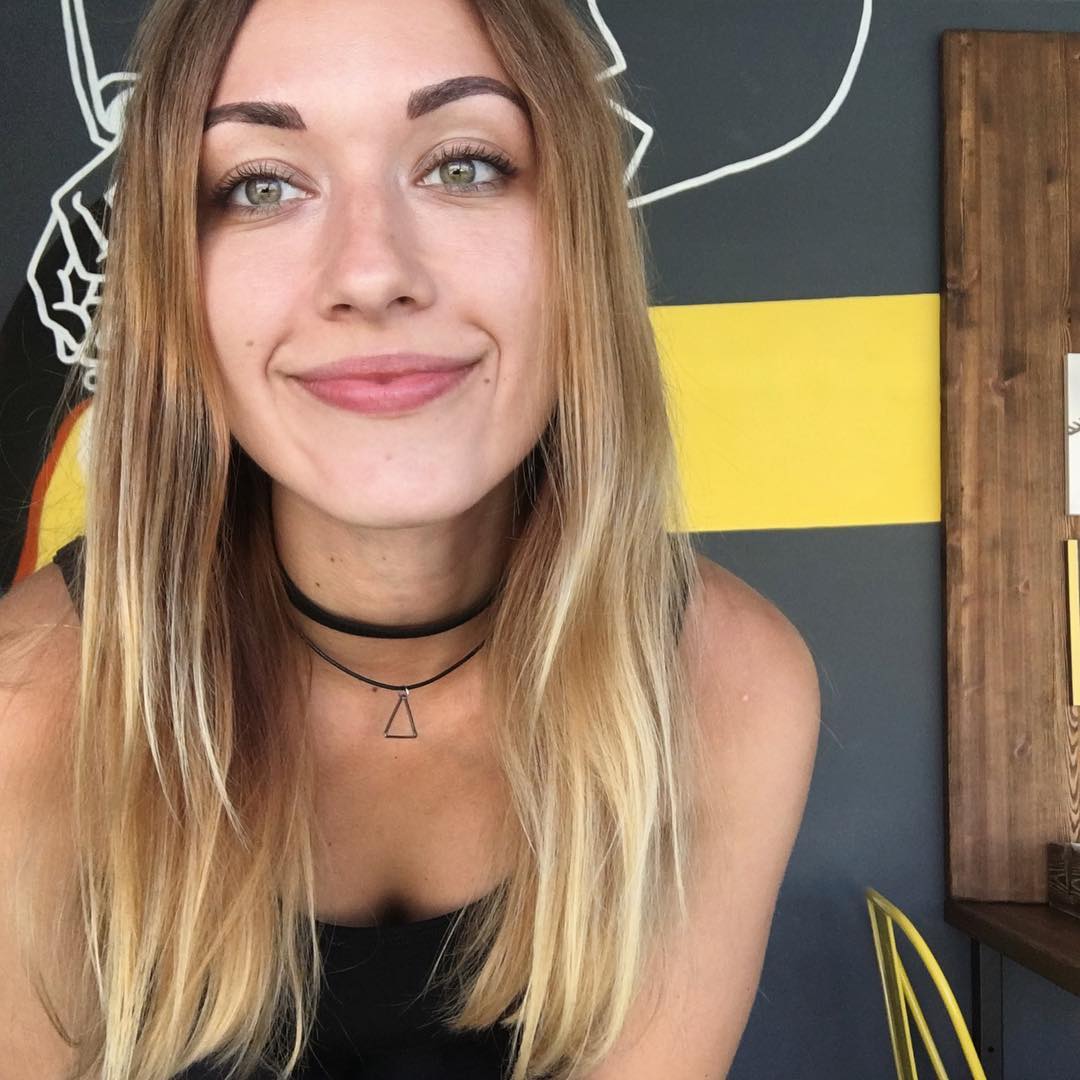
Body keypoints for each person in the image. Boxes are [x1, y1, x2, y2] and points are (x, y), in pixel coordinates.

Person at [0, 0, 821, 1078]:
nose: (371, 272)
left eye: (464, 166)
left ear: (578, 242)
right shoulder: (25, 703)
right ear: (176, 279)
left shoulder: (726, 685)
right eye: (261, 185)